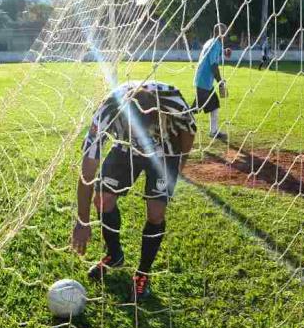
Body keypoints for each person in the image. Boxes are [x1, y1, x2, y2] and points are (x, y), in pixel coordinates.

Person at [72, 81, 197, 300]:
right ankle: (114, 255)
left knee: (156, 213)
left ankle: (143, 273)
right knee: (102, 200)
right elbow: (88, 168)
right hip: (125, 147)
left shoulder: (173, 102)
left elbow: (188, 133)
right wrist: (82, 220)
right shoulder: (108, 109)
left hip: (165, 149)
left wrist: (180, 165)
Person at [193, 23, 230, 143]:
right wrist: (220, 81)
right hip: (204, 81)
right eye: (224, 32)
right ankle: (178, 125)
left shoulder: (211, 42)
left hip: (205, 81)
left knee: (214, 105)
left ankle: (213, 131)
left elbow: (213, 53)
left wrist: (224, 51)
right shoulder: (215, 45)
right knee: (195, 109)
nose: (226, 34)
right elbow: (213, 64)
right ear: (220, 33)